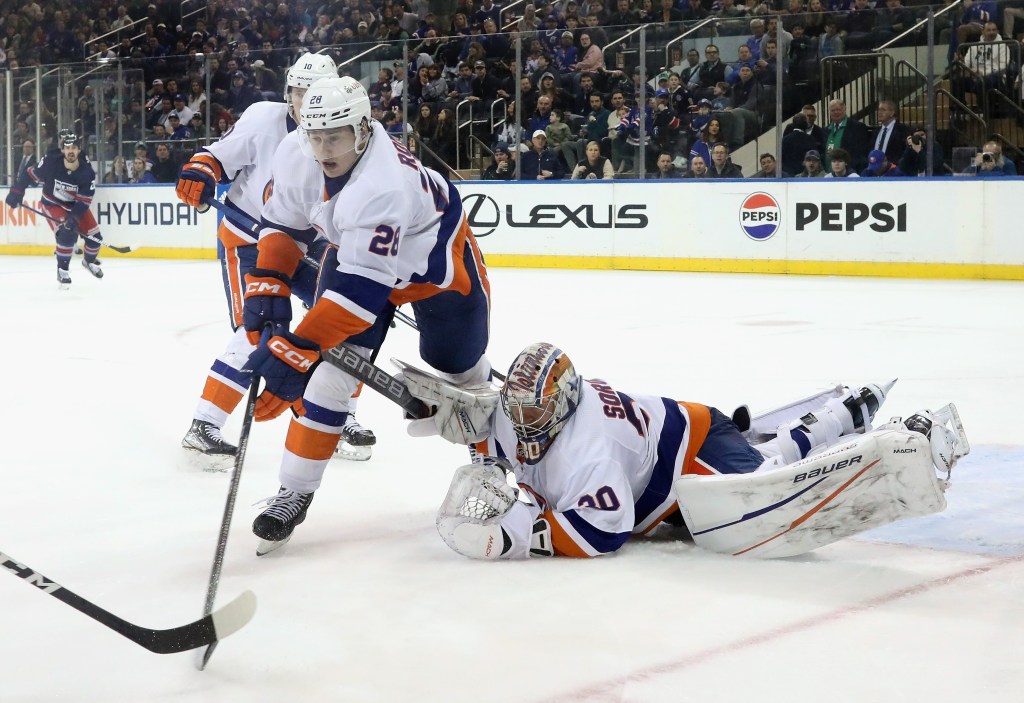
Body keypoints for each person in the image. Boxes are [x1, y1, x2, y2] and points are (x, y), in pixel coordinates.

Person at [243, 75, 493, 551]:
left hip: (435, 265)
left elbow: (357, 299)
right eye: (315, 135)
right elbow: (282, 225)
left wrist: (297, 349)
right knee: (329, 377)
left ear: (362, 129)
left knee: (462, 371)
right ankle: (293, 491)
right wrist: (268, 282)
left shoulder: (382, 184)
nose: (322, 148)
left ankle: (489, 456)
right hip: (357, 255)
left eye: (334, 136)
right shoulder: (296, 152)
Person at [426, 342, 966, 560]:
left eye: (535, 415)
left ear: (564, 404)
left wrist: (516, 536)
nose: (523, 428)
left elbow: (604, 532)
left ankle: (857, 416)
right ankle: (841, 411)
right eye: (516, 414)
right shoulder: (525, 409)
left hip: (692, 447)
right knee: (769, 454)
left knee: (776, 472)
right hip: (671, 431)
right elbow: (491, 436)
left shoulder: (589, 449)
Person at [173, 53, 377, 462]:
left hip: (309, 242)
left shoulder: (342, 135)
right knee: (257, 328)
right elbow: (216, 157)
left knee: (341, 322)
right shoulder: (263, 120)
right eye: (298, 92)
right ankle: (204, 425)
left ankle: (334, 417)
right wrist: (200, 171)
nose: (303, 102)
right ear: (288, 92)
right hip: (248, 241)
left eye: (311, 92)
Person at [5, 130, 104, 285]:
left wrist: (74, 218)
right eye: (67, 147)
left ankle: (88, 261)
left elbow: (84, 201)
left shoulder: (87, 173)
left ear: (79, 150)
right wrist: (17, 191)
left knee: (96, 239)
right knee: (67, 234)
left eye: (74, 148)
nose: (70, 151)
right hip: (52, 203)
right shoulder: (51, 162)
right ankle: (62, 270)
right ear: (63, 149)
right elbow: (29, 173)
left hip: (75, 204)